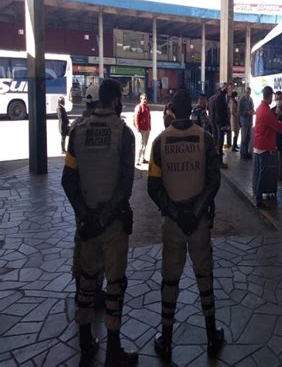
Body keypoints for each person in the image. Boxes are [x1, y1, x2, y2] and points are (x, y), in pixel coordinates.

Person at [61, 78, 138, 366]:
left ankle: (85, 345)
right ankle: (113, 351)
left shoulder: (77, 131)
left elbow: (68, 180)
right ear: (117, 100)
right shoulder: (124, 135)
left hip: (87, 228)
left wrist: (86, 216)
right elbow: (125, 186)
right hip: (114, 227)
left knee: (86, 285)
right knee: (115, 285)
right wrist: (105, 218)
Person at [147, 89, 224, 362]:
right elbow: (214, 181)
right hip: (199, 222)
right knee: (205, 278)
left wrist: (177, 213)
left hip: (173, 224)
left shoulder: (160, 142)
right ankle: (211, 335)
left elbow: (153, 186)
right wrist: (195, 211)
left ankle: (166, 340)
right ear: (190, 108)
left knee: (170, 279)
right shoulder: (206, 138)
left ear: (170, 110)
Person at [69, 83, 105, 306]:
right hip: (98, 197)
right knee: (97, 247)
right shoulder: (102, 126)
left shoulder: (76, 126)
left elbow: (69, 174)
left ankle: (81, 288)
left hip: (82, 199)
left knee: (81, 241)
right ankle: (94, 290)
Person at [253, 86, 282, 209]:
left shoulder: (261, 108)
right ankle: (259, 199)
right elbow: (278, 127)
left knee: (260, 171)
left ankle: (257, 194)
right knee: (262, 172)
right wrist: (281, 122)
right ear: (270, 96)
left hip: (259, 143)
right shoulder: (266, 111)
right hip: (264, 145)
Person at [208, 83, 230, 168]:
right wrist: (223, 125)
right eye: (226, 89)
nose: (227, 91)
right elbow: (219, 113)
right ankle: (219, 162)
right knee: (219, 143)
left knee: (217, 142)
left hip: (214, 123)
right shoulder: (220, 98)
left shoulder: (214, 98)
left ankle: (217, 160)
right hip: (219, 124)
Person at [134, 93, 151, 166]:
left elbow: (149, 118)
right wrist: (138, 128)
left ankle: (143, 159)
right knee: (141, 145)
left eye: (146, 99)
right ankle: (138, 160)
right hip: (141, 129)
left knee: (145, 145)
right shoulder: (139, 107)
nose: (145, 100)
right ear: (140, 99)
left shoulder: (147, 107)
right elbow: (136, 118)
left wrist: (150, 127)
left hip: (147, 129)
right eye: (144, 99)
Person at [238, 87, 255, 159]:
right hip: (244, 122)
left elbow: (252, 108)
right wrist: (247, 112)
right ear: (245, 92)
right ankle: (242, 154)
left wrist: (252, 111)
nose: (248, 94)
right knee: (243, 139)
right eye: (247, 92)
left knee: (248, 138)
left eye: (249, 92)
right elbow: (239, 112)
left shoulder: (251, 99)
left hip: (249, 122)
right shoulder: (241, 100)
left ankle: (246, 152)